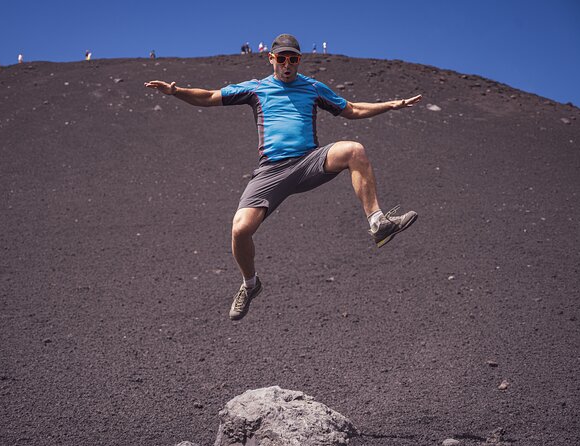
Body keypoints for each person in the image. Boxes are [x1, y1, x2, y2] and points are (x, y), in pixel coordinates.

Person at [144, 34, 421, 321]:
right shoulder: (256, 89)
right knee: (240, 230)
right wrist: (176, 91)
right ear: (271, 59)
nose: (288, 64)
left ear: (299, 61)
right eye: (282, 58)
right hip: (271, 171)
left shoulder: (313, 88)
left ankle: (378, 223)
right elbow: (210, 96)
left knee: (354, 150)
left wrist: (390, 104)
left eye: (294, 59)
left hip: (308, 162)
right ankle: (250, 285)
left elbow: (351, 110)